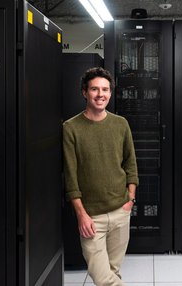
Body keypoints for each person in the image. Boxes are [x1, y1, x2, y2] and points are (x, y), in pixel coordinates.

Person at [63, 67, 138, 286]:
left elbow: (131, 164)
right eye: (94, 89)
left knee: (113, 272)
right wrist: (81, 215)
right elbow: (70, 176)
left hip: (120, 211)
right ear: (84, 92)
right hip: (91, 217)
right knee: (104, 278)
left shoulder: (120, 124)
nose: (100, 94)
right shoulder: (71, 128)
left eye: (105, 89)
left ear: (110, 93)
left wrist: (130, 199)